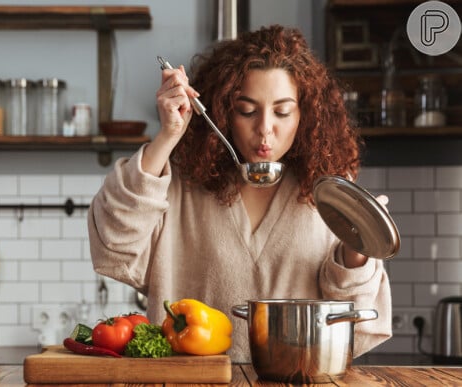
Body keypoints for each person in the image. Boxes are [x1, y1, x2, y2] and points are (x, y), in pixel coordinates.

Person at [87, 25, 392, 362]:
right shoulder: (178, 186)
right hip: (190, 384)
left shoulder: (331, 193)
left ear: (305, 116)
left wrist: (357, 248)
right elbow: (114, 246)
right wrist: (168, 136)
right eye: (247, 110)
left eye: (282, 111)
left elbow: (357, 319)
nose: (265, 128)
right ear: (223, 112)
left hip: (295, 382)